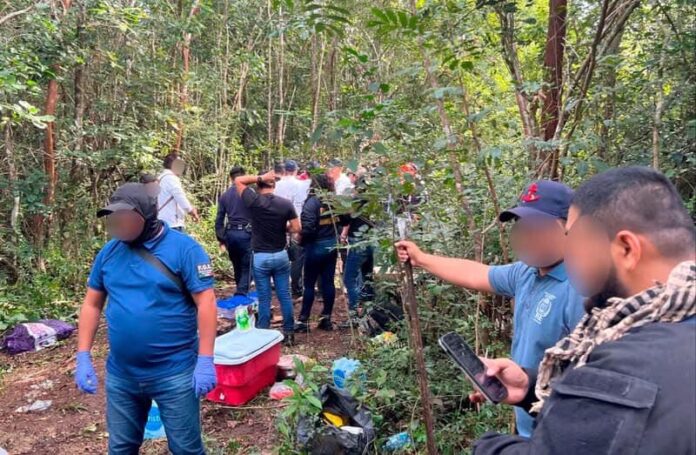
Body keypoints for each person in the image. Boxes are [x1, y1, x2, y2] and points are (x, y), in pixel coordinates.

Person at [473, 166, 695, 454]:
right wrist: (530, 389)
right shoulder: (666, 326)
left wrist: (487, 446)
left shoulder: (624, 369)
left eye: (574, 239)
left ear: (626, 248)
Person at [396, 180, 585, 437]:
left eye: (538, 228)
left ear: (570, 229)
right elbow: (478, 274)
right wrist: (421, 259)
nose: (529, 237)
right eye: (524, 227)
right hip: (527, 419)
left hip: (561, 434)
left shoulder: (580, 289)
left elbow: (590, 375)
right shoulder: (527, 272)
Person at [74, 183, 217, 455]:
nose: (119, 225)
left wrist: (206, 359)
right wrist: (83, 355)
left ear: (147, 216)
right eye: (114, 220)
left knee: (186, 449)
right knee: (121, 448)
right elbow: (92, 304)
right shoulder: (109, 253)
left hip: (174, 372)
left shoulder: (184, 249)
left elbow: (206, 302)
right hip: (122, 375)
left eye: (126, 218)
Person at [236, 170, 300, 345]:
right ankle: (289, 333)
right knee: (284, 295)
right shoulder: (285, 204)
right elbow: (296, 227)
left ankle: (263, 334)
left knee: (264, 297)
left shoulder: (254, 201)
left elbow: (239, 181)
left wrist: (260, 177)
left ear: (258, 185)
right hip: (280, 255)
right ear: (274, 185)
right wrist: (283, 228)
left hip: (260, 257)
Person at [295, 174, 342, 332]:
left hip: (315, 247)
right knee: (328, 283)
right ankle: (326, 318)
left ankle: (303, 320)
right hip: (331, 246)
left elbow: (308, 228)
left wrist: (301, 240)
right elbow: (345, 220)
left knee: (309, 284)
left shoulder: (312, 203)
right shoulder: (334, 201)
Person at [274, 159, 311, 298]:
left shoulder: (277, 186)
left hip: (280, 224)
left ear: (284, 170)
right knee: (297, 258)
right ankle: (296, 287)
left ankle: (280, 285)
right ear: (295, 170)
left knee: (280, 255)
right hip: (297, 223)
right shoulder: (301, 185)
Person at [341, 176, 375, 324]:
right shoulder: (373, 202)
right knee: (367, 277)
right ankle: (370, 312)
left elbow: (345, 220)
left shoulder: (355, 202)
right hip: (371, 241)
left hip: (358, 242)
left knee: (349, 279)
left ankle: (354, 316)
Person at [215, 166, 253, 296]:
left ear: (231, 179)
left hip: (231, 234)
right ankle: (241, 293)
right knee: (248, 266)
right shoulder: (249, 193)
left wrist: (221, 238)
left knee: (237, 265)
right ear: (244, 177)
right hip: (246, 234)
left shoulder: (225, 195)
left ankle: (241, 292)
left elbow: (219, 218)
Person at [157, 153, 200, 232]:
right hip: (171, 223)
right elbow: (180, 197)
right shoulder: (171, 178)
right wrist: (191, 211)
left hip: (159, 220)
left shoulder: (160, 178)